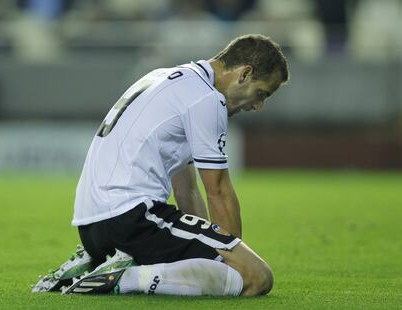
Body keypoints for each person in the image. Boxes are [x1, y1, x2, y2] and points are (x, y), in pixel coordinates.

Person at [32, 34, 289, 297]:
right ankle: (125, 277)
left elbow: (186, 190)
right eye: (261, 94)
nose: (258, 106)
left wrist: (208, 248)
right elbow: (219, 191)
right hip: (133, 217)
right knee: (256, 277)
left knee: (211, 265)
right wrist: (233, 260)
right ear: (244, 74)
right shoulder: (206, 99)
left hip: (93, 227)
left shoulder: (168, 78)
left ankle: (96, 262)